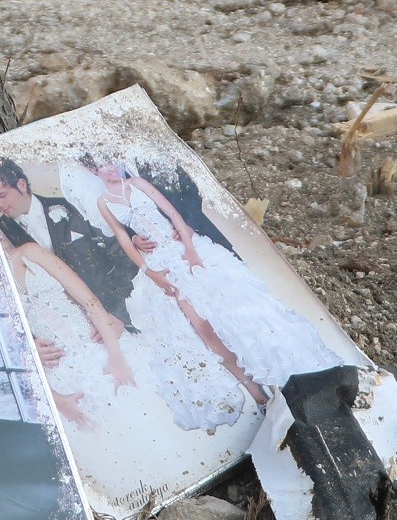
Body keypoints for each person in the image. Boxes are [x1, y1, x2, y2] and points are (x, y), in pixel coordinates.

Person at [85, 157, 341, 396]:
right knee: (203, 327)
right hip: (160, 261)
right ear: (93, 171)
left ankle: (283, 376)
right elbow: (120, 234)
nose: (109, 167)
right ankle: (257, 394)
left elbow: (173, 212)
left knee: (236, 311)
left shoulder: (137, 182)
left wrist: (190, 248)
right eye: (100, 164)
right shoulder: (103, 201)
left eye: (110, 160)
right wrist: (148, 269)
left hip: (186, 245)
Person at [0, 158, 136, 325]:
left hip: (116, 316)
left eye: (1, 195)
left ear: (21, 185)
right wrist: (34, 341)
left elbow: (124, 256)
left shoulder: (73, 208)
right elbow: (0, 299)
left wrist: (117, 316)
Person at [1, 234, 136, 430]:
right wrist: (56, 399)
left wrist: (116, 357)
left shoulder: (30, 251)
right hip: (61, 374)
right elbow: (11, 355)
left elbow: (89, 301)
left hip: (99, 346)